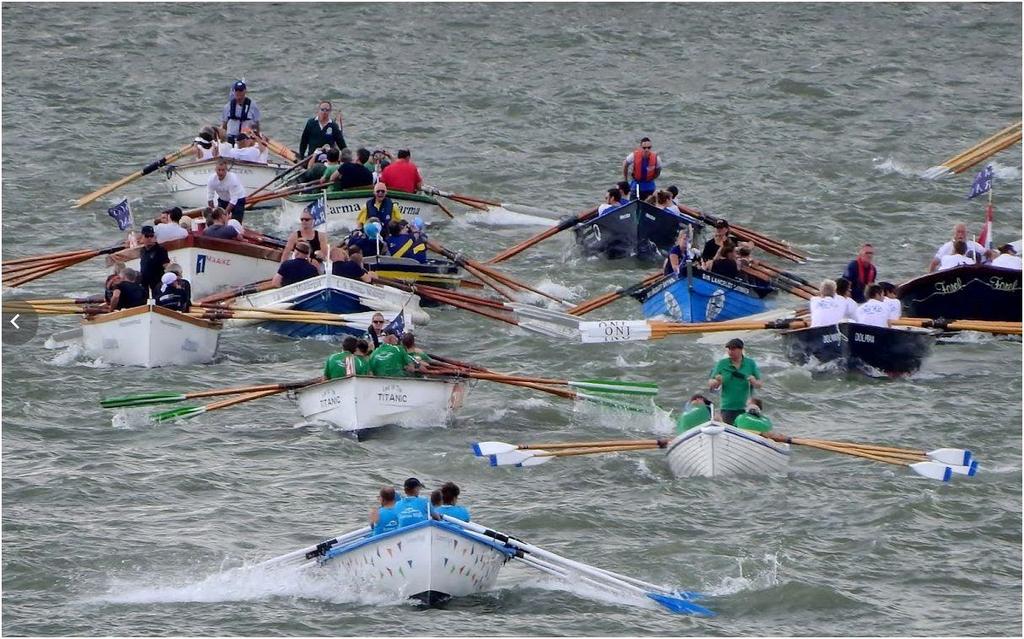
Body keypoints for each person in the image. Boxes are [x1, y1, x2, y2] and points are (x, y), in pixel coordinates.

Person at [707, 338, 763, 425]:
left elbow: (759, 385)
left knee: (745, 432)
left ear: (741, 350)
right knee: (729, 431)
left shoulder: (750, 363)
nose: (730, 351)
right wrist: (717, 381)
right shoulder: (722, 363)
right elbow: (710, 383)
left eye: (733, 349)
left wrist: (754, 381)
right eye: (728, 349)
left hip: (746, 407)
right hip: (727, 406)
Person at [137, 225, 170, 298]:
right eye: (147, 236)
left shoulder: (160, 250)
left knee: (157, 298)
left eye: (151, 236)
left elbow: (166, 265)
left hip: (157, 281)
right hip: (145, 281)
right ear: (142, 237)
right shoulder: (143, 250)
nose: (149, 238)